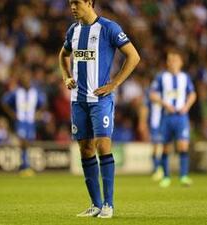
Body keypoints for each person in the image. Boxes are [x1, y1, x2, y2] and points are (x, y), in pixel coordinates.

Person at [59, 0, 140, 218]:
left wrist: (114, 84)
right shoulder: (73, 30)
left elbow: (133, 56)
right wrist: (66, 77)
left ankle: (108, 204)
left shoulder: (109, 28)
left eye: (76, 3)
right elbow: (63, 55)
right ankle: (95, 204)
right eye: (70, 4)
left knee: (103, 145)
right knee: (85, 150)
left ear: (89, 2)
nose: (72, 7)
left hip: (100, 100)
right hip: (78, 100)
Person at [150, 49, 197, 188]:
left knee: (183, 146)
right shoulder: (161, 77)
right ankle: (166, 177)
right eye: (170, 60)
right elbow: (152, 95)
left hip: (181, 117)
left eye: (175, 60)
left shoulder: (185, 77)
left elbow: (193, 94)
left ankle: (183, 176)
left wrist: (186, 107)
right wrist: (165, 104)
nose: (172, 63)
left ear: (181, 63)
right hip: (167, 117)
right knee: (166, 148)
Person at [2, 70, 44, 176]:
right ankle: (25, 166)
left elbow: (43, 104)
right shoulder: (16, 92)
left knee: (28, 144)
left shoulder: (35, 92)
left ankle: (24, 166)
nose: (26, 81)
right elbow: (4, 102)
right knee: (23, 142)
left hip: (30, 122)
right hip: (20, 121)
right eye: (24, 79)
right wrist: (12, 114)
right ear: (21, 81)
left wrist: (37, 113)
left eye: (27, 79)